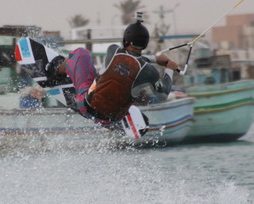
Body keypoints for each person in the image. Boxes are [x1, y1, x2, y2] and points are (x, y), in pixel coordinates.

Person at [47, 19, 179, 126]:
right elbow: (163, 94)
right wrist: (169, 69)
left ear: (126, 39)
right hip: (112, 119)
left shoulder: (113, 51)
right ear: (144, 45)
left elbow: (129, 58)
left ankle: (54, 72)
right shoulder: (149, 71)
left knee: (81, 53)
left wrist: (155, 59)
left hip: (86, 106)